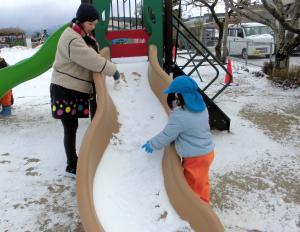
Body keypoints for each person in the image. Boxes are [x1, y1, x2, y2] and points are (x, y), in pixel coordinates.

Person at [50, 3, 120, 175]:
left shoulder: (78, 34)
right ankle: (72, 164)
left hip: (70, 87)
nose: (93, 27)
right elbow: (92, 59)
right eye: (91, 24)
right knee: (70, 127)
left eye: (94, 24)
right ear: (82, 21)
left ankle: (75, 160)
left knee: (72, 126)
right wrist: (113, 70)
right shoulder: (72, 39)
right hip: (64, 89)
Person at [142, 75, 215, 205]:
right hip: (207, 152)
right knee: (202, 181)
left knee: (193, 187)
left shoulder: (180, 116)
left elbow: (167, 135)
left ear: (179, 96)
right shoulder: (202, 107)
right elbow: (190, 119)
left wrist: (152, 144)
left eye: (175, 95)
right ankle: (204, 202)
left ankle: (200, 211)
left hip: (195, 157)